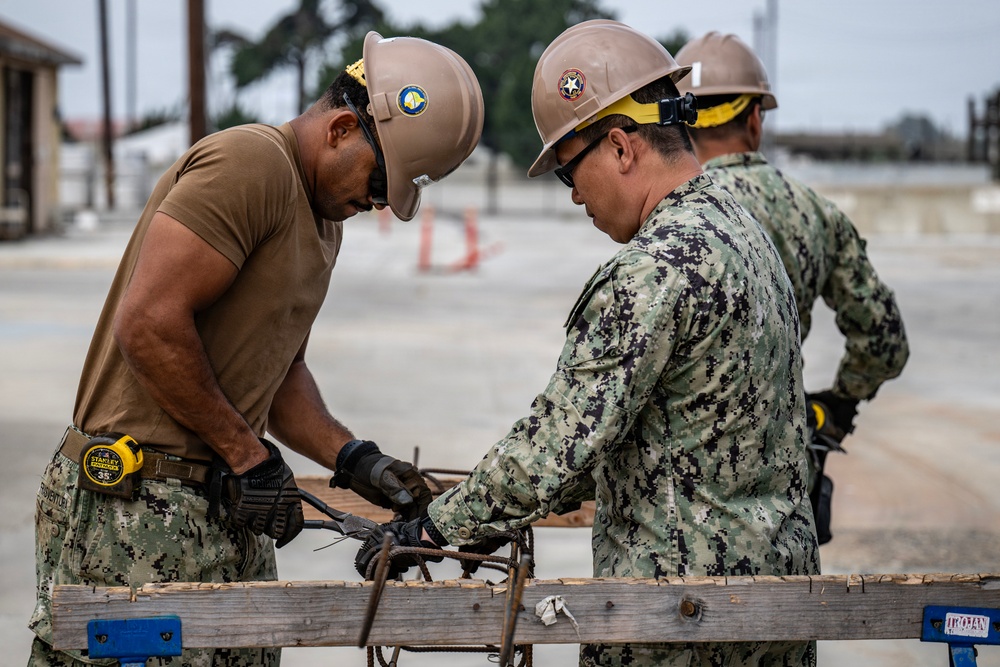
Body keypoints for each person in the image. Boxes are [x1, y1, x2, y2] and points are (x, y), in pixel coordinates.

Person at [356, 20, 819, 667]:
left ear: (623, 147)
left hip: (676, 617)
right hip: (778, 605)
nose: (574, 194)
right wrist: (490, 512)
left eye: (568, 170)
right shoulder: (746, 232)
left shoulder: (654, 268)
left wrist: (439, 528)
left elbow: (559, 443)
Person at [28, 30, 483, 667]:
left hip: (224, 504)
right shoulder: (250, 164)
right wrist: (249, 455)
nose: (377, 203)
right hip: (135, 507)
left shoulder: (324, 216)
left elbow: (278, 372)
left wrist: (353, 459)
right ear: (342, 128)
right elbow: (150, 323)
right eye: (380, 182)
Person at [674, 32, 909, 543]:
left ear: (679, 121)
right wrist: (839, 407)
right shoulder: (815, 212)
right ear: (755, 118)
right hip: (782, 482)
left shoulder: (670, 216)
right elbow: (885, 342)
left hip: (678, 499)